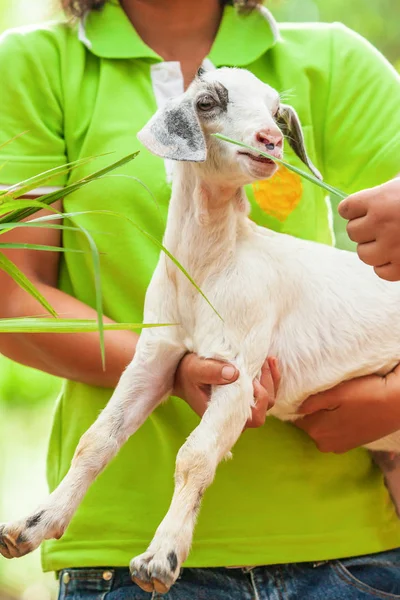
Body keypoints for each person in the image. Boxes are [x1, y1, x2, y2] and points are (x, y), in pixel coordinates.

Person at [1, 1, 400, 598]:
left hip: (352, 552)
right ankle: (57, 511)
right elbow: (13, 299)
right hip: (114, 557)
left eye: (276, 120)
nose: (269, 133)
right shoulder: (34, 64)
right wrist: (174, 369)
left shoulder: (335, 58)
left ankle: (170, 528)